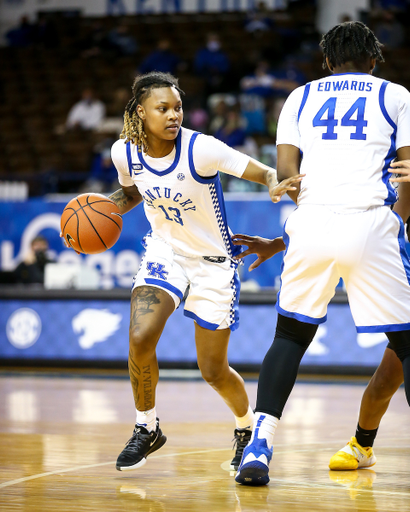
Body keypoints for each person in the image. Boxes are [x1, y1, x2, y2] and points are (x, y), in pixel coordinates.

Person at [234, 21, 410, 486]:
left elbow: (288, 179)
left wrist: (308, 218)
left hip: (311, 222)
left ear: (328, 61)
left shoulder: (300, 96)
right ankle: (362, 442)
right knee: (407, 343)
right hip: (372, 221)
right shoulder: (395, 95)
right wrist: (397, 221)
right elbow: (407, 172)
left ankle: (258, 446)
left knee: (289, 337)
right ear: (374, 59)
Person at [101, 71, 301, 472]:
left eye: (178, 107)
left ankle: (244, 428)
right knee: (140, 335)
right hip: (165, 252)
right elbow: (133, 192)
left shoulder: (201, 148)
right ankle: (147, 426)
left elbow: (260, 171)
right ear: (141, 112)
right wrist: (99, 209)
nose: (174, 115)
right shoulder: (124, 152)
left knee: (213, 371)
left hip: (214, 264)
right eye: (164, 109)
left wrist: (273, 181)